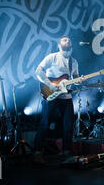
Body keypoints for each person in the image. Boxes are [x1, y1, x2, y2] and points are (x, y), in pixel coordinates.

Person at [33, 36, 85, 165]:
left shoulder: (74, 62)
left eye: (69, 40)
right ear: (59, 44)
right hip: (50, 94)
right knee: (44, 123)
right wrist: (49, 84)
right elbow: (38, 71)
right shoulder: (53, 57)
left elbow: (76, 79)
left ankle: (66, 152)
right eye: (64, 40)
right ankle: (37, 153)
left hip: (66, 97)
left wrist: (81, 81)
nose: (67, 41)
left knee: (68, 125)